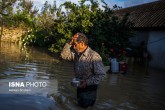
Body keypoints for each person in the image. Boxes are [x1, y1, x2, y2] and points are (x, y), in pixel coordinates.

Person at [61, 32, 106, 108]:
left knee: (85, 106)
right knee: (80, 104)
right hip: (79, 84)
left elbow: (101, 75)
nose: (74, 47)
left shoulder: (94, 56)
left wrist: (86, 82)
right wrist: (69, 43)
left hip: (90, 87)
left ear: (81, 43)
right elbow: (64, 55)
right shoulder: (76, 54)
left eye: (75, 44)